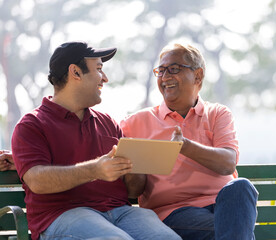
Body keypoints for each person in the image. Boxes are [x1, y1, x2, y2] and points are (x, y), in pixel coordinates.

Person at [10, 42, 181, 240]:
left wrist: (137, 164)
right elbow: (37, 181)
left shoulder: (108, 122)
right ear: (75, 72)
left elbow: (134, 189)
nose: (105, 78)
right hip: (63, 214)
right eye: (99, 69)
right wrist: (94, 170)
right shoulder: (32, 125)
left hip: (120, 212)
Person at [120, 43, 259, 240]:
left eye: (174, 69)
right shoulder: (135, 123)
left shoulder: (218, 114)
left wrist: (184, 146)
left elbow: (228, 163)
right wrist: (136, 162)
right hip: (174, 213)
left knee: (241, 186)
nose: (165, 77)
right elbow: (132, 190)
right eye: (161, 71)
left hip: (225, 205)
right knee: (235, 230)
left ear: (198, 76)